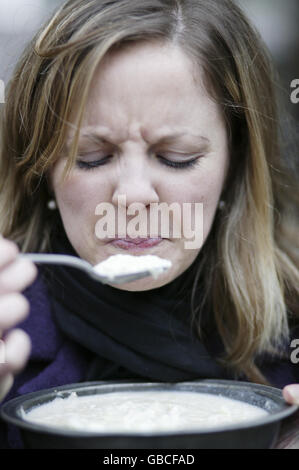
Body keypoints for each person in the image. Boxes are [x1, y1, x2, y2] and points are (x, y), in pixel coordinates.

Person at [0, 0, 298, 448]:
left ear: (236, 168)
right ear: (41, 172)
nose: (133, 196)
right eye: (91, 158)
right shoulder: (10, 329)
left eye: (176, 158)